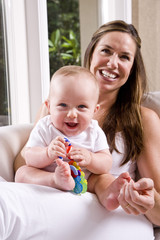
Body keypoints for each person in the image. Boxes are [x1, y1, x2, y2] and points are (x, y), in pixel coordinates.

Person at [14, 20, 160, 227]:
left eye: (124, 57)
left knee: (104, 179)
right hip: (50, 203)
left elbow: (158, 205)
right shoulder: (54, 110)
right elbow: (21, 170)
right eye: (106, 51)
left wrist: (145, 198)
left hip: (104, 214)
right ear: (91, 53)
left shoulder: (143, 119)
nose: (112, 63)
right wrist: (48, 157)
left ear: (132, 67)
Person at [17, 65, 112, 192]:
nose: (72, 114)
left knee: (105, 179)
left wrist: (90, 159)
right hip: (48, 177)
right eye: (63, 105)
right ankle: (56, 180)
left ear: (94, 110)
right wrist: (47, 153)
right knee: (22, 173)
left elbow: (106, 163)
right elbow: (29, 157)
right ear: (49, 106)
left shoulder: (94, 131)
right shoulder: (45, 127)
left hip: (85, 181)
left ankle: (113, 196)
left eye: (81, 106)